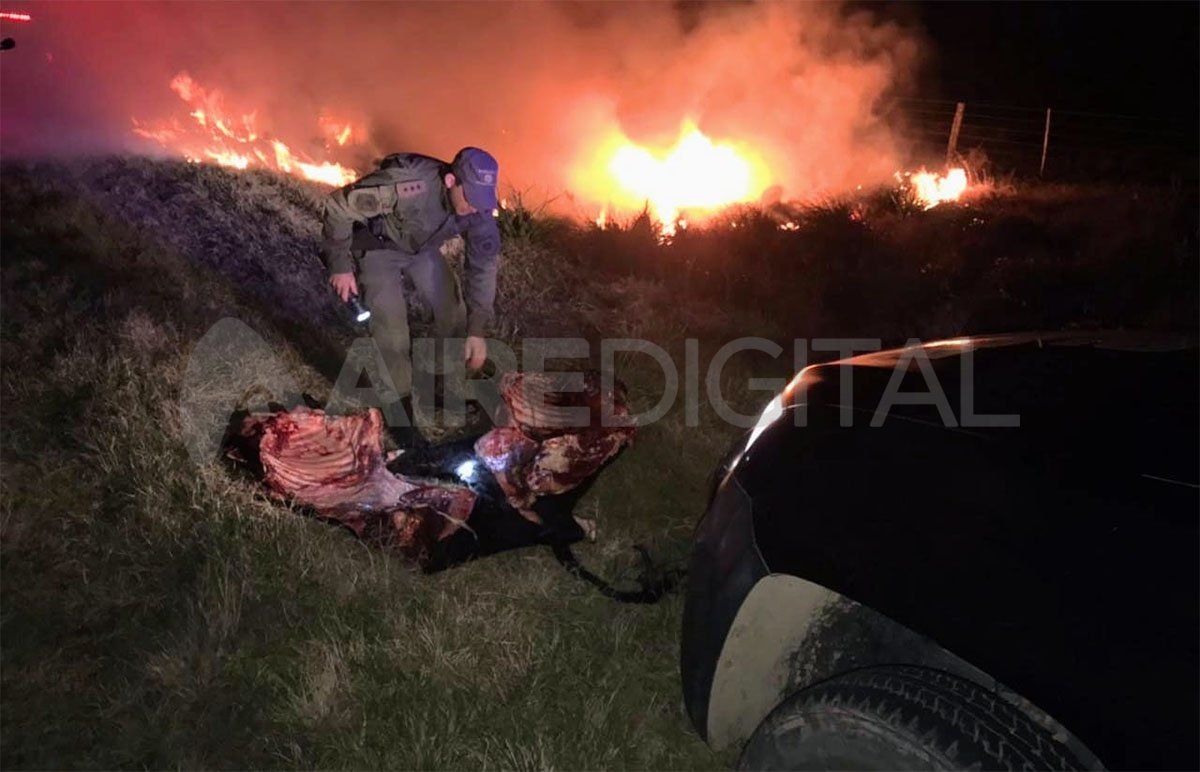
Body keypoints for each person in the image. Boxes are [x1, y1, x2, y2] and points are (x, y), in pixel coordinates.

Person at [321, 148, 501, 443]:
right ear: (451, 181)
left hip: (421, 250)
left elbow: (483, 267)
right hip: (379, 247)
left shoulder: (477, 208)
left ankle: (444, 387)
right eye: (470, 198)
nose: (474, 208)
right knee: (391, 327)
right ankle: (399, 411)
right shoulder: (408, 185)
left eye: (482, 201)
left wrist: (477, 330)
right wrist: (340, 266)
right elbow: (338, 206)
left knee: (452, 311)